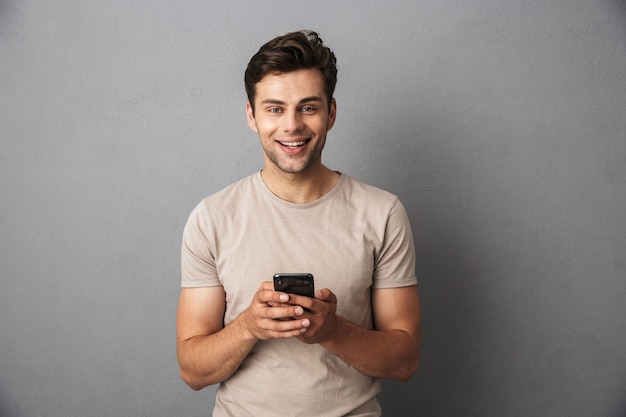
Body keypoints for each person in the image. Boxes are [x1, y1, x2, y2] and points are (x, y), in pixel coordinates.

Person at [176, 30, 421, 417]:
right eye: (274, 109)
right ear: (251, 116)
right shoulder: (212, 217)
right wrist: (249, 326)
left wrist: (332, 331)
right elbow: (192, 370)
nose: (292, 125)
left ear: (332, 112)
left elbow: (404, 361)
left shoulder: (382, 213)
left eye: (308, 107)